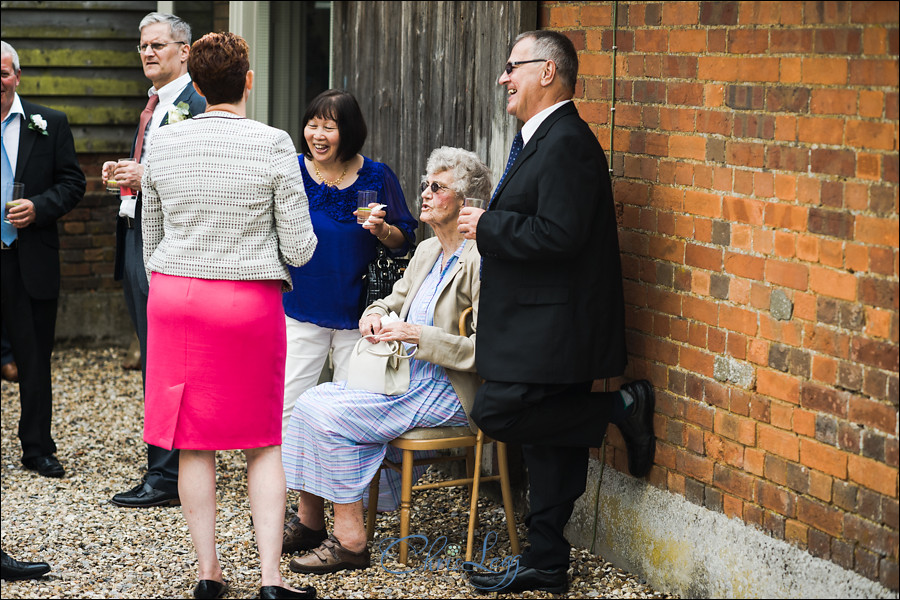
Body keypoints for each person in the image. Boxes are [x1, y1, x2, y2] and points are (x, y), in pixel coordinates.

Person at [457, 31, 656, 594]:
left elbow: (562, 235)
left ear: (547, 72)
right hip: (540, 324)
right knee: (551, 446)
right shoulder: (540, 139)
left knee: (496, 412)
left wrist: (486, 226)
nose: (504, 79)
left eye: (512, 67)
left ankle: (619, 406)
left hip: (555, 328)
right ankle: (546, 561)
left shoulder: (566, 141)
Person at [140, 32, 318, 600]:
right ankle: (270, 581)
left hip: (175, 297)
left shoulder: (164, 144)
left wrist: (180, 273)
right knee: (263, 439)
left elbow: (151, 242)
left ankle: (209, 575)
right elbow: (300, 247)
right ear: (248, 80)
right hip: (247, 301)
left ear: (194, 83)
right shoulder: (274, 144)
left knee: (193, 440)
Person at [281, 147, 491, 574]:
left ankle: (351, 542)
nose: (425, 195)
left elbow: (488, 349)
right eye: (425, 185)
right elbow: (392, 299)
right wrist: (374, 315)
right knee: (308, 404)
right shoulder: (429, 251)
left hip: (447, 387)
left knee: (328, 415)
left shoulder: (481, 260)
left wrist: (417, 334)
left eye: (438, 187)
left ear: (465, 203)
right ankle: (309, 521)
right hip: (403, 375)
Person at [102, 12, 206, 509]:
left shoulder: (196, 104)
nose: (147, 53)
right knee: (153, 356)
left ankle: (166, 476)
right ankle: (165, 465)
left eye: (158, 45)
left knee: (167, 359)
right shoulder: (154, 105)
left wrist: (148, 177)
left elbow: (204, 183)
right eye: (142, 46)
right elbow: (152, 173)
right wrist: (127, 178)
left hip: (168, 248)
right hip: (135, 235)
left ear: (184, 50)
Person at [280, 89, 417, 438]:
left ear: (350, 131)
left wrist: (382, 229)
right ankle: (291, 487)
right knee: (288, 407)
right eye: (312, 125)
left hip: (359, 315)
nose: (318, 135)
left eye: (329, 127)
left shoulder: (376, 176)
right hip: (299, 309)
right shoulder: (291, 171)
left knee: (353, 411)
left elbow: (404, 243)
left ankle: (346, 489)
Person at [0, 41, 85, 479]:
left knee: (34, 359)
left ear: (17, 75)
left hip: (27, 259)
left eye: (3, 73)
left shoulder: (49, 123)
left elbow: (73, 183)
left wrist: (39, 206)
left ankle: (36, 447)